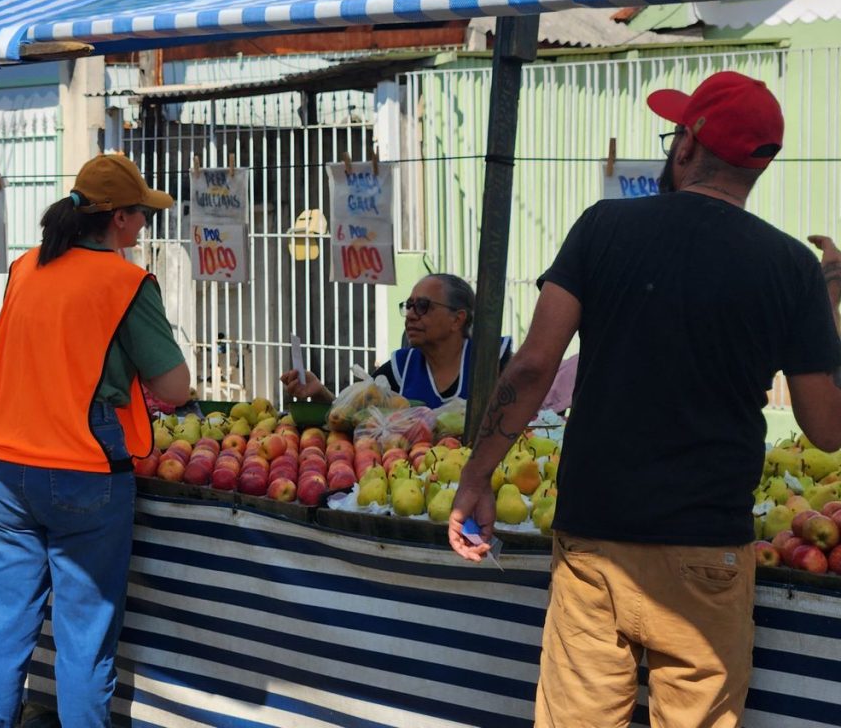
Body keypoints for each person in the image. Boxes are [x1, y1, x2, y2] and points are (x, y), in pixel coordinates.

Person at [448, 71, 841, 728]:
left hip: (595, 548)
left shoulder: (603, 227)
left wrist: (476, 476)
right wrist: (827, 300)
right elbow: (827, 427)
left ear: (687, 145)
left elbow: (535, 365)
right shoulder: (790, 268)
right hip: (708, 555)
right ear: (758, 166)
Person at [0, 154, 192, 727]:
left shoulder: (24, 267)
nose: (145, 224)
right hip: (82, 470)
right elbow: (174, 387)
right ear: (118, 218)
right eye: (142, 213)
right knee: (84, 643)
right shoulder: (126, 282)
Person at [281, 273, 501, 409]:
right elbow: (352, 414)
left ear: (457, 319)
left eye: (422, 306)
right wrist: (319, 392)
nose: (411, 315)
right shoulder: (402, 367)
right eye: (409, 306)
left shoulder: (494, 362)